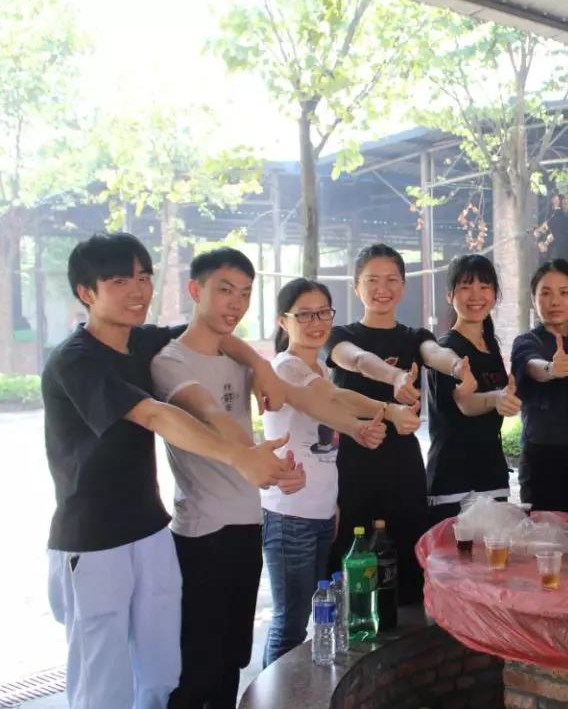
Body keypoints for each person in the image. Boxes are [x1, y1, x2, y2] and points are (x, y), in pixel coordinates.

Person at [42, 234, 294, 709]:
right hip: (92, 541)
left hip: (152, 531)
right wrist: (239, 455)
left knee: (162, 674)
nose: (138, 291)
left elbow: (214, 332)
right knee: (103, 681)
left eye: (143, 277)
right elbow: (156, 414)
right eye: (119, 281)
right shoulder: (75, 360)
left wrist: (261, 366)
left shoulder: (141, 339)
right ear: (86, 293)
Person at [151, 249, 389, 707]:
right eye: (225, 290)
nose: (236, 303)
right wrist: (262, 460)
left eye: (245, 293)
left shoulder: (243, 358)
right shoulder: (170, 359)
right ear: (195, 290)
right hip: (203, 529)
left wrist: (259, 367)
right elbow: (210, 413)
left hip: (249, 520)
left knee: (233, 655)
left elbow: (304, 398)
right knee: (201, 660)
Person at [262, 278, 420, 665]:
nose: (316, 323)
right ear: (283, 321)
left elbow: (337, 401)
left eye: (323, 313)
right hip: (290, 515)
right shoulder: (286, 366)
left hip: (319, 513)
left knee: (312, 615)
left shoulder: (317, 366)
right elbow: (331, 399)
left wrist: (332, 504)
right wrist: (385, 412)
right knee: (290, 623)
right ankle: (278, 694)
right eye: (304, 315)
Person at [326, 244, 476, 603]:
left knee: (406, 553)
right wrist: (394, 376)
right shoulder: (341, 336)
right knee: (352, 552)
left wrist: (457, 366)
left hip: (402, 464)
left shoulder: (414, 337)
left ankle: (407, 622)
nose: (383, 288)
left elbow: (434, 353)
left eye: (392, 279)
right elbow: (358, 360)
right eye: (372, 280)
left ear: (403, 286)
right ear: (356, 286)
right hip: (353, 463)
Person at [426, 254, 519, 524]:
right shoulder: (446, 350)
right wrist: (496, 398)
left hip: (492, 473)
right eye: (466, 286)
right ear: (450, 295)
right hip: (454, 479)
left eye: (484, 286)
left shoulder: (490, 345)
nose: (476, 295)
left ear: (495, 294)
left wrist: (508, 398)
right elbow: (464, 403)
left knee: (494, 549)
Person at [510, 260, 568, 511]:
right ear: (533, 300)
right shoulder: (526, 341)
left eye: (564, 293)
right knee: (544, 528)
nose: (555, 301)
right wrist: (551, 369)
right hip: (541, 458)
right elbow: (532, 365)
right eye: (545, 293)